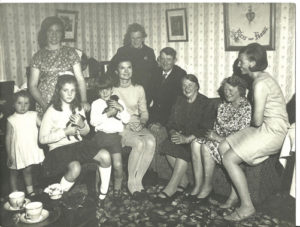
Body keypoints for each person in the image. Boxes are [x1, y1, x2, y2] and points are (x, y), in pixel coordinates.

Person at [219, 43, 289, 221]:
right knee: (223, 145)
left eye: (241, 61)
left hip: (274, 131)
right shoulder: (261, 79)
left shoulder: (260, 84)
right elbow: (257, 122)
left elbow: (256, 121)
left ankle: (247, 206)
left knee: (229, 158)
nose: (238, 64)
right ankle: (235, 195)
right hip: (264, 127)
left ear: (252, 62)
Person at [39, 75, 111, 204]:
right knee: (75, 168)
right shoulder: (51, 111)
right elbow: (42, 139)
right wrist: (64, 132)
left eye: (72, 90)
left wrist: (82, 125)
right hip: (59, 149)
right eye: (65, 90)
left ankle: (102, 195)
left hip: (78, 145)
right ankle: (55, 196)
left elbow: (87, 132)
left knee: (105, 156)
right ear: (58, 91)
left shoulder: (78, 107)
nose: (69, 94)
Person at [189, 76, 251, 204]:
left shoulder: (246, 108)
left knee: (206, 147)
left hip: (234, 145)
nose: (227, 93)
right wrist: (213, 135)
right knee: (195, 143)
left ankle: (207, 187)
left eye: (230, 90)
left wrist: (218, 138)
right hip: (219, 140)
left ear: (240, 90)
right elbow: (217, 127)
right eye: (225, 90)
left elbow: (243, 136)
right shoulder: (223, 105)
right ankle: (199, 185)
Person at [155, 74, 211, 201]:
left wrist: (187, 138)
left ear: (197, 86)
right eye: (184, 85)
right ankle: (184, 180)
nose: (187, 88)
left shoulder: (205, 102)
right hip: (181, 136)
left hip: (195, 139)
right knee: (168, 144)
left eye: (190, 85)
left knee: (182, 151)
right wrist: (174, 132)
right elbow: (170, 123)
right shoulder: (179, 100)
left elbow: (206, 127)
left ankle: (171, 187)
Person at [29, 16, 90, 115]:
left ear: (62, 33)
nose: (54, 34)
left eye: (58, 31)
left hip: (69, 101)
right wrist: (45, 106)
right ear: (45, 33)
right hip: (45, 103)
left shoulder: (71, 53)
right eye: (50, 31)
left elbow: (80, 79)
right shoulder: (38, 56)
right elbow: (32, 86)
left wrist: (84, 100)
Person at [113, 57, 156, 197]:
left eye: (129, 67)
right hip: (121, 126)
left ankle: (139, 181)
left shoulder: (139, 88)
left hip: (137, 124)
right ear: (116, 71)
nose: (126, 71)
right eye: (122, 68)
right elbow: (111, 115)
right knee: (139, 143)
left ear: (133, 70)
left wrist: (142, 123)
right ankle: (131, 182)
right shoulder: (112, 89)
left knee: (150, 141)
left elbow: (144, 112)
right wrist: (127, 123)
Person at [90, 76, 130, 197]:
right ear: (98, 91)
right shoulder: (96, 104)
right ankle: (98, 188)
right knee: (100, 165)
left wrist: (121, 109)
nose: (105, 92)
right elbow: (93, 122)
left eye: (107, 89)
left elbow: (127, 119)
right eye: (101, 90)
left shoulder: (119, 102)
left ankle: (117, 188)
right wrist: (108, 114)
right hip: (100, 137)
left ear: (112, 89)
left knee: (118, 165)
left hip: (114, 138)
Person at [148, 47, 186, 171]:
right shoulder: (155, 73)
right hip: (155, 115)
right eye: (162, 59)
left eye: (168, 59)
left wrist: (160, 123)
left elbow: (176, 106)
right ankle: (149, 174)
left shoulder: (180, 75)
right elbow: (150, 100)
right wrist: (150, 120)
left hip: (171, 117)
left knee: (156, 135)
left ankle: (156, 175)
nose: (165, 62)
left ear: (175, 60)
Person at [5, 90, 45, 196]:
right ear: (13, 104)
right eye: (19, 103)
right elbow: (8, 137)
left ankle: (30, 191)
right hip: (16, 151)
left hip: (29, 148)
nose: (23, 106)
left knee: (28, 170)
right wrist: (9, 154)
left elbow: (43, 126)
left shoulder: (33, 115)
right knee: (13, 172)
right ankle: (14, 194)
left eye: (26, 103)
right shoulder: (11, 119)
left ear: (30, 104)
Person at [108, 23, 158, 105]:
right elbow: (111, 69)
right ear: (129, 38)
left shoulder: (149, 52)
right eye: (133, 38)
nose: (135, 41)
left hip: (144, 93)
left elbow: (154, 73)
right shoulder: (122, 51)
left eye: (138, 38)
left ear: (143, 38)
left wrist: (152, 96)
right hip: (126, 92)